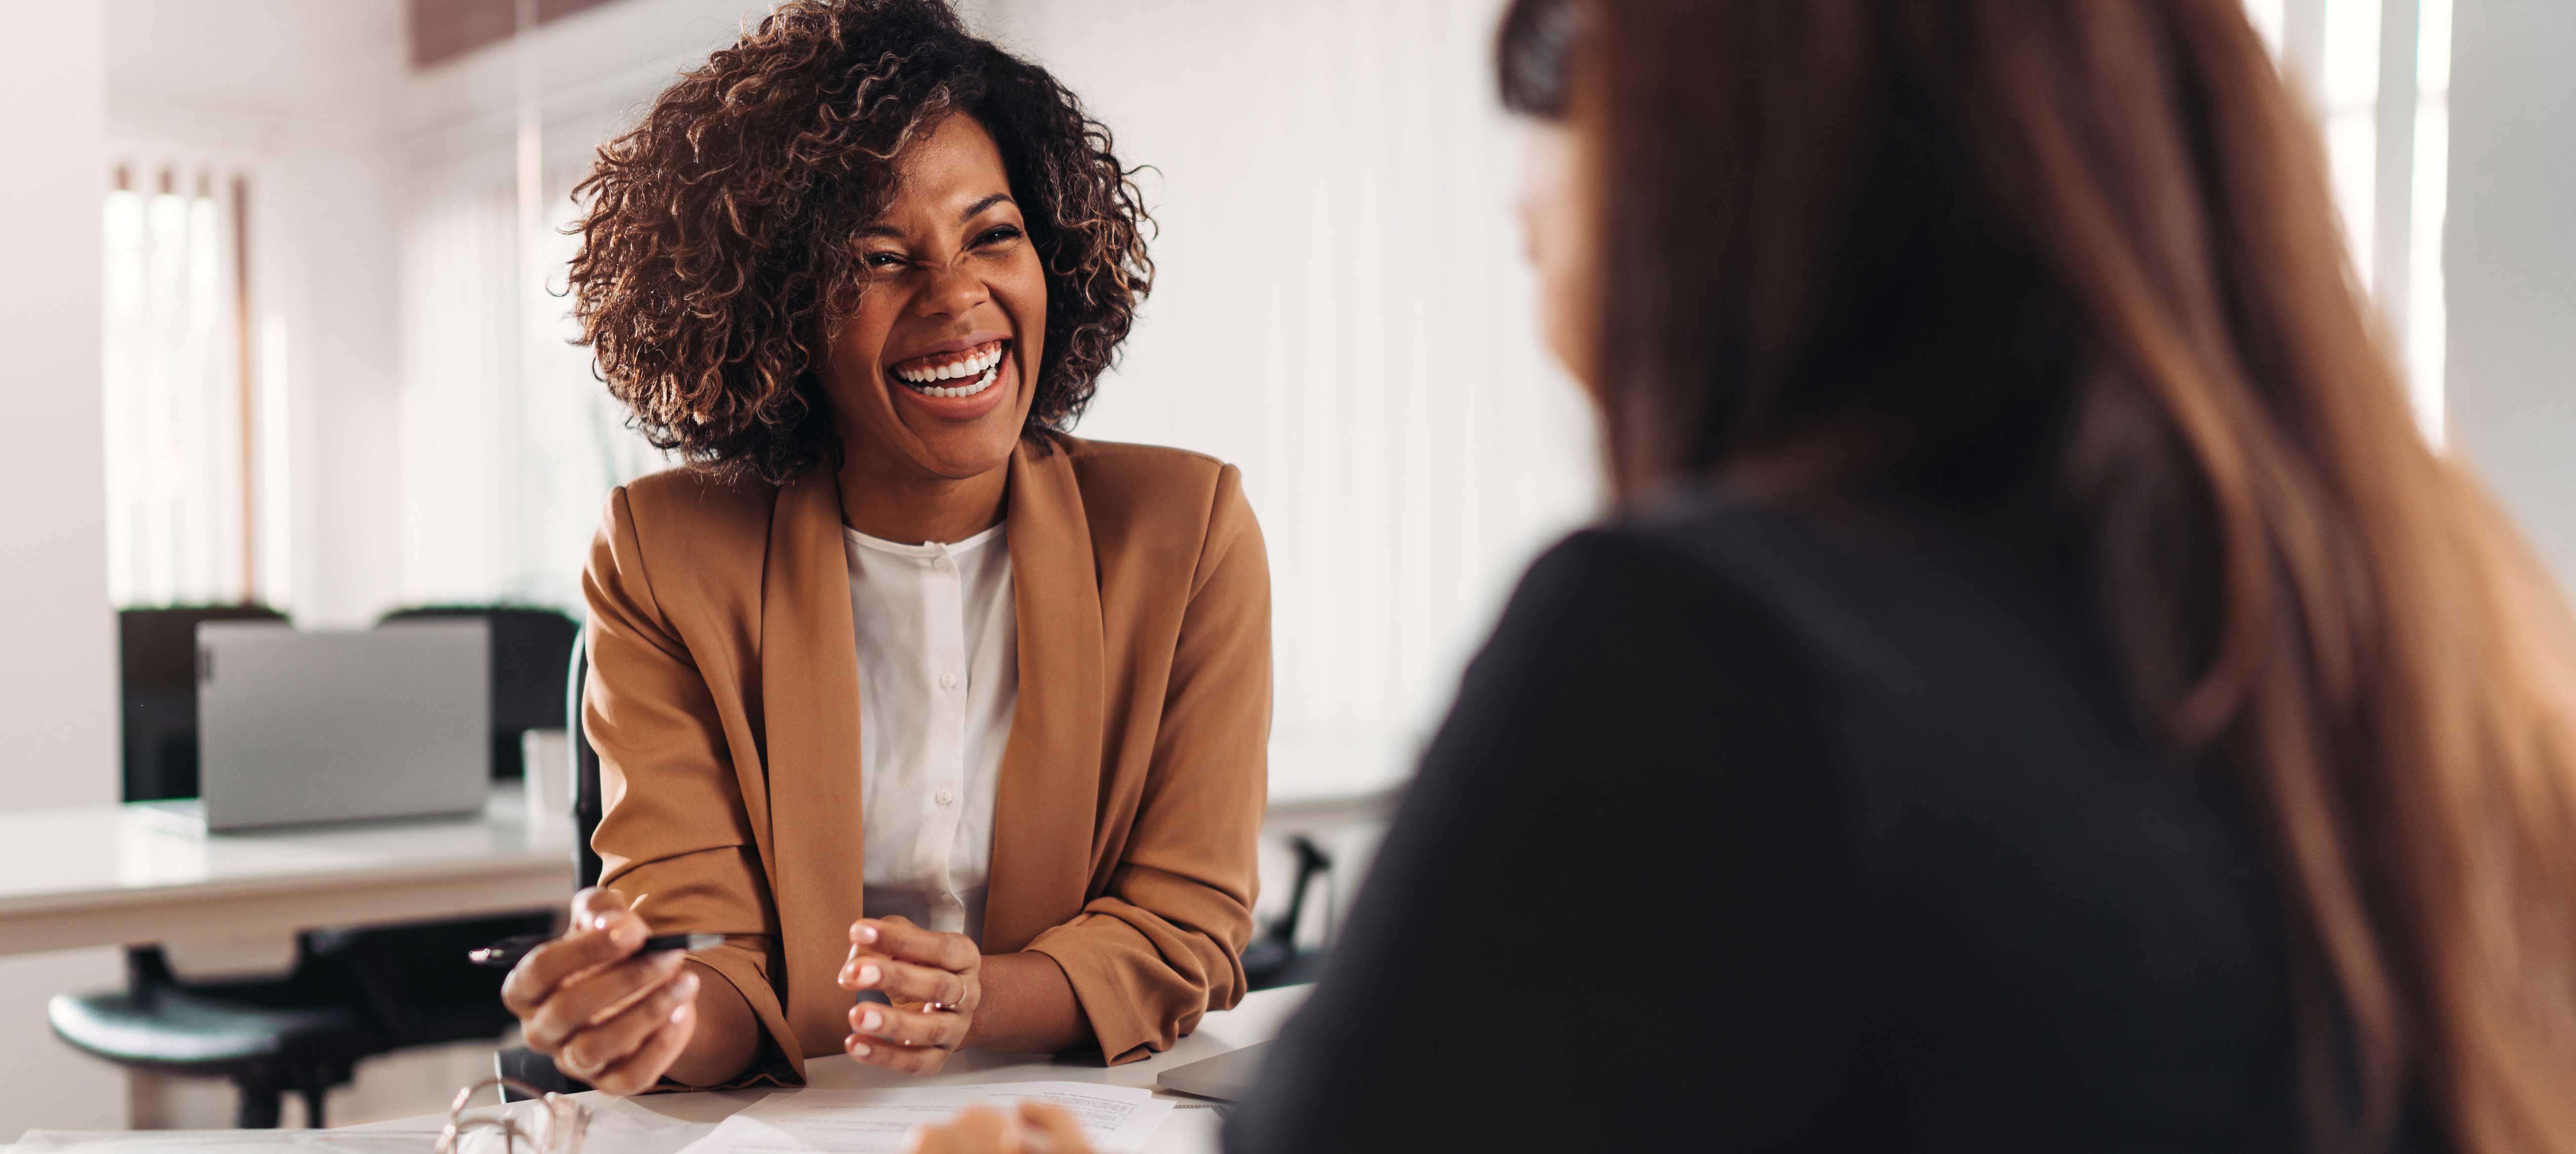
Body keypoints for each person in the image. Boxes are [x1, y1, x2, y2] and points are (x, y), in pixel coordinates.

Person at [913, 0, 2576, 1150]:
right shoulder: (2429, 634)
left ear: (1740, 143)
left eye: (1558, 84)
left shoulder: (1700, 655)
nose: (1520, 199)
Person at [495, 0, 1271, 1095]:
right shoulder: (664, 554)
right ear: (776, 312)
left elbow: (1184, 923)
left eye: (992, 234)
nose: (957, 297)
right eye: (877, 257)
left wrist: (978, 998)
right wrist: (649, 1013)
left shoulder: (1184, 531)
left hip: (1084, 1113)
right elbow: (709, 959)